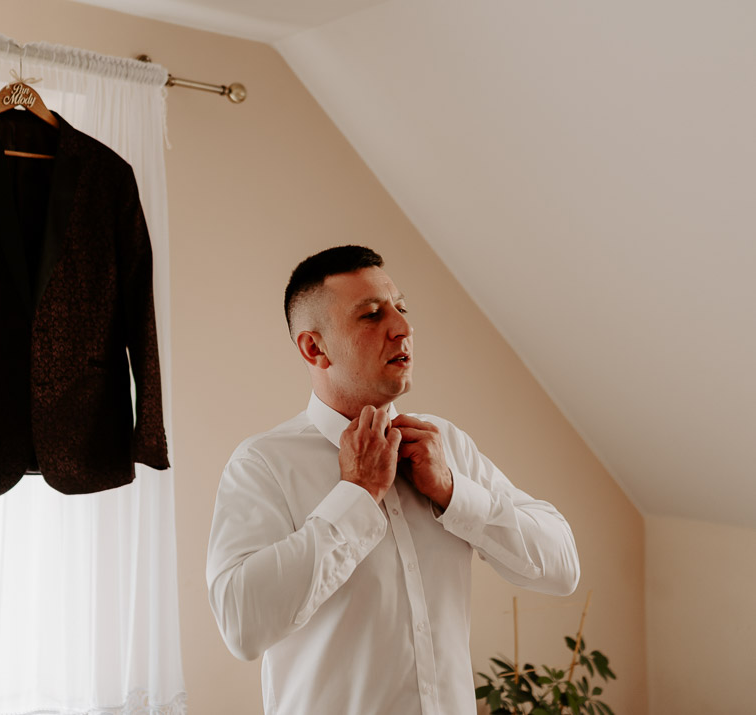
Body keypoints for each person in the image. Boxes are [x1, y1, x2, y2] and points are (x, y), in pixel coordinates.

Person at [206, 245, 580, 715]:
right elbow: (241, 626)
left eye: (401, 308)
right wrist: (356, 495)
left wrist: (453, 492)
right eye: (371, 315)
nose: (403, 327)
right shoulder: (262, 464)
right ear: (314, 348)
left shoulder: (446, 445)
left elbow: (563, 567)